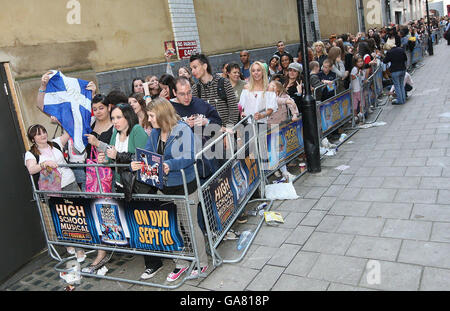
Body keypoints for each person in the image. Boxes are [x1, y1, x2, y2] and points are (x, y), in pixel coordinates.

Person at [130, 98, 209, 282]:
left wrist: (169, 164)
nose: (149, 119)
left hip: (184, 187)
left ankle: (202, 262)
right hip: (164, 187)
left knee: (190, 226)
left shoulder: (182, 130)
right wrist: (137, 161)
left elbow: (189, 157)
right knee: (170, 226)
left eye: (151, 115)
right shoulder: (156, 132)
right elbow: (147, 153)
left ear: (161, 114)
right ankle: (181, 263)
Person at [24, 124, 86, 262]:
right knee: (62, 218)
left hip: (69, 182)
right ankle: (72, 245)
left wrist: (60, 120)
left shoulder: (56, 143)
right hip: (51, 189)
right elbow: (31, 169)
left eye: (44, 131)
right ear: (33, 138)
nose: (43, 135)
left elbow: (70, 130)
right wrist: (44, 164)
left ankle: (80, 248)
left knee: (76, 215)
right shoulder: (31, 153)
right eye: (38, 133)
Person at [83, 94, 114, 274]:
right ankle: (102, 251)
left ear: (108, 107)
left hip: (110, 175)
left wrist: (98, 143)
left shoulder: (115, 126)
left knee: (112, 210)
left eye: (101, 108)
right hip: (93, 176)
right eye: (95, 109)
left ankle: (116, 245)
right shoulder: (91, 125)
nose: (98, 112)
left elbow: (117, 149)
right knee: (99, 212)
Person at [97, 103, 148, 195]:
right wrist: (105, 160)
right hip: (119, 184)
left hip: (137, 187)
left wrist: (116, 155)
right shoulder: (115, 133)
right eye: (112, 118)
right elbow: (113, 160)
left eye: (118, 117)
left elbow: (144, 159)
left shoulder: (137, 130)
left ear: (128, 117)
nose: (115, 121)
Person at [190, 53, 240, 129]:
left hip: (227, 132)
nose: (193, 71)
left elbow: (234, 109)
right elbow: (196, 113)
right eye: (191, 69)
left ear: (204, 66)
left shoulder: (224, 82)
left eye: (195, 67)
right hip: (209, 135)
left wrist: (228, 131)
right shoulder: (195, 89)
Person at [350, 55, 368, 124]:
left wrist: (364, 79)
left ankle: (361, 116)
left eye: (361, 61)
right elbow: (352, 77)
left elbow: (363, 78)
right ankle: (356, 116)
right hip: (354, 90)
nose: (360, 63)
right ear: (355, 63)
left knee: (361, 103)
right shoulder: (354, 69)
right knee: (355, 104)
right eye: (358, 62)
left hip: (360, 89)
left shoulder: (362, 70)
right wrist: (357, 74)